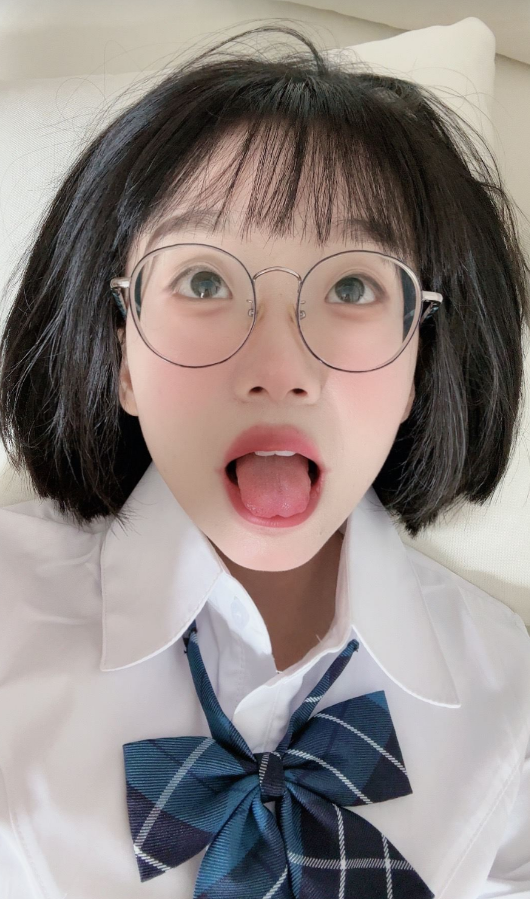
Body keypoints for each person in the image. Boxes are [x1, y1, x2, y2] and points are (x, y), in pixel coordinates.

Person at [0, 22, 529, 899]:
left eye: (352, 287)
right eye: (204, 282)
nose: (279, 369)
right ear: (120, 349)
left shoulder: (508, 698)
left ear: (421, 362)